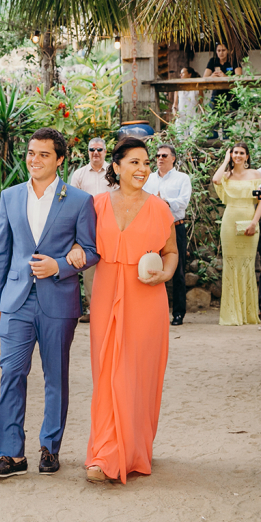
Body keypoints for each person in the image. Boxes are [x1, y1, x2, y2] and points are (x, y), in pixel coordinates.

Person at [0, 128, 98, 478]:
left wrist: (60, 266)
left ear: (60, 159)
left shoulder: (79, 200)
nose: (34, 160)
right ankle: (10, 454)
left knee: (55, 376)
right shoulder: (10, 196)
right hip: (16, 300)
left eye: (43, 154)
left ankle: (50, 447)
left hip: (58, 300)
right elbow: (1, 250)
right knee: (11, 374)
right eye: (31, 153)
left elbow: (91, 251)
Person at [80, 137, 178, 483]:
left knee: (138, 373)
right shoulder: (94, 205)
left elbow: (171, 252)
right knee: (107, 370)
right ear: (117, 167)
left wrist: (165, 274)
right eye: (134, 162)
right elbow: (80, 245)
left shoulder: (159, 207)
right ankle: (104, 452)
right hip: (106, 292)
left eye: (146, 163)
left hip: (147, 297)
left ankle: (134, 449)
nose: (142, 169)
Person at [211, 143, 261, 326]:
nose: (238, 155)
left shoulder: (256, 174)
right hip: (229, 221)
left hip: (250, 220)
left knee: (248, 264)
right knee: (231, 264)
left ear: (247, 156)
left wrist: (254, 222)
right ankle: (231, 314)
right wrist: (226, 160)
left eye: (242, 153)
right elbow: (216, 180)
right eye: (235, 153)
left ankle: (248, 313)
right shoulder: (226, 175)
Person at [143, 144, 192, 326]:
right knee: (151, 267)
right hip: (152, 229)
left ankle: (178, 313)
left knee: (177, 271)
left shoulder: (182, 178)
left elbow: (183, 202)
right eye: (157, 155)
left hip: (175, 227)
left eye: (164, 155)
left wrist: (163, 202)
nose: (160, 158)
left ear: (173, 158)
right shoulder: (148, 179)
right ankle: (154, 312)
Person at [69, 137, 111, 323]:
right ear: (87, 151)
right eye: (92, 149)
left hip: (111, 227)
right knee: (89, 271)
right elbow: (72, 202)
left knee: (112, 268)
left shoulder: (114, 171)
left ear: (105, 151)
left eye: (99, 149)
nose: (95, 152)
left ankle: (111, 310)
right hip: (87, 228)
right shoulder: (79, 174)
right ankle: (94, 310)